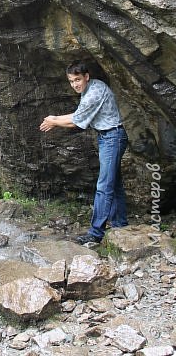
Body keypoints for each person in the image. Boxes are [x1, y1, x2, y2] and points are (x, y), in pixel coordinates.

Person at [39, 61, 128, 245]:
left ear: (86, 76)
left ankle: (96, 233)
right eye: (71, 81)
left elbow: (76, 122)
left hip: (113, 137)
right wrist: (55, 119)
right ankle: (120, 225)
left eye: (78, 80)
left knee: (104, 187)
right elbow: (78, 113)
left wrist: (54, 121)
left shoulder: (95, 92)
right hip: (108, 137)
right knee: (114, 184)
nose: (75, 85)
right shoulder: (89, 89)